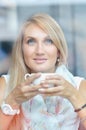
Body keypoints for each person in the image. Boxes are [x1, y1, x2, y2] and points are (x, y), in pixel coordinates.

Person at [0, 13, 86, 130]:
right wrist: (12, 102)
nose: (39, 50)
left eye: (49, 41)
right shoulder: (6, 85)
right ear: (21, 50)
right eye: (31, 41)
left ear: (59, 51)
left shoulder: (78, 86)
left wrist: (73, 95)